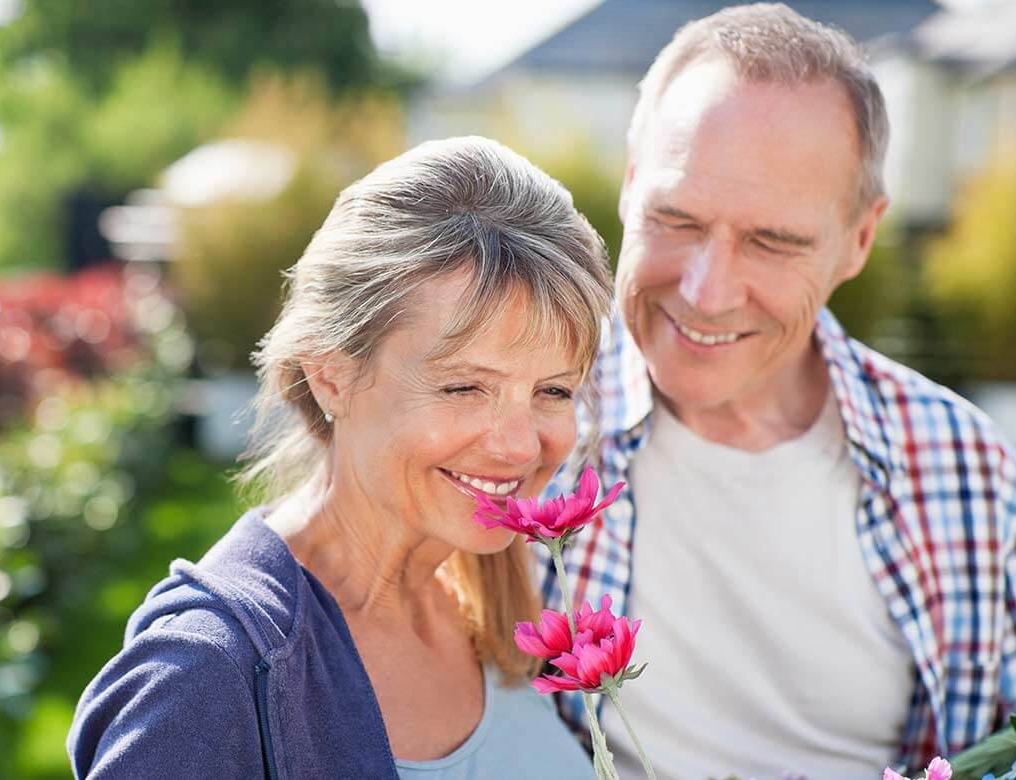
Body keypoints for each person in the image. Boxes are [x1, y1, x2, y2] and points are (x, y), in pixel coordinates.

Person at [537, 4, 1016, 777]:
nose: (708, 292)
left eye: (772, 242)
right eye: (676, 220)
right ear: (629, 186)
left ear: (859, 240)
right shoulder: (518, 426)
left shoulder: (969, 472)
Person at [67, 136, 616, 779]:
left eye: (553, 390)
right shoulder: (205, 675)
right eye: (466, 387)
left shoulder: (495, 601)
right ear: (330, 375)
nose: (521, 446)